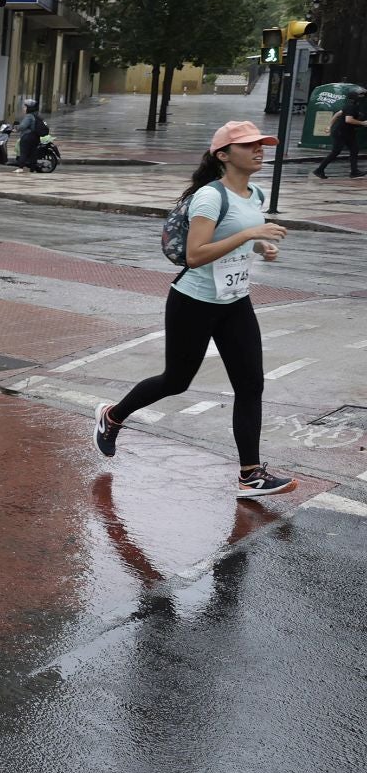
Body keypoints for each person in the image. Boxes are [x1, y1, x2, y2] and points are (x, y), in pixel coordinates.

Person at [96, 120, 298, 497]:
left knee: (251, 384)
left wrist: (259, 247)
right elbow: (196, 254)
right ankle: (113, 415)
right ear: (223, 155)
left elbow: (233, 239)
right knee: (176, 381)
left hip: (235, 301)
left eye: (262, 144)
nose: (259, 150)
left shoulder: (254, 194)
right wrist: (250, 234)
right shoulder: (209, 196)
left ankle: (250, 474)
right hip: (193, 302)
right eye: (249, 145)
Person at [314, 85, 366, 179]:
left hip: (348, 132)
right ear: (355, 97)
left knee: (354, 149)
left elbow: (337, 114)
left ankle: (354, 171)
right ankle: (319, 170)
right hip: (341, 132)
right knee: (335, 152)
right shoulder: (351, 107)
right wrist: (363, 123)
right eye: (360, 95)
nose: (362, 97)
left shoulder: (351, 105)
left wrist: (329, 126)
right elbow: (348, 120)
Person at [14, 97, 46, 173]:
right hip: (35, 137)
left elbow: (22, 126)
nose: (23, 109)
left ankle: (20, 168)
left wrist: (15, 128)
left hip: (27, 137)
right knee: (33, 154)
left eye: (25, 107)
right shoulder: (36, 115)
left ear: (29, 108)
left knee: (24, 152)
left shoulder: (29, 116)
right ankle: (33, 168)